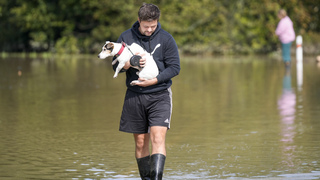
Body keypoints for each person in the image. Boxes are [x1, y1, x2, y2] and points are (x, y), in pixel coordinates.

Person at [112, 3, 180, 180]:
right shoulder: (125, 37)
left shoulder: (166, 39)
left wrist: (154, 80)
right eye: (146, 26)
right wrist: (130, 63)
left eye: (153, 26)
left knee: (158, 138)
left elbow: (174, 68)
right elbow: (114, 67)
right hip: (134, 96)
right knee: (141, 141)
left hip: (160, 95)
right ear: (138, 20)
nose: (150, 30)